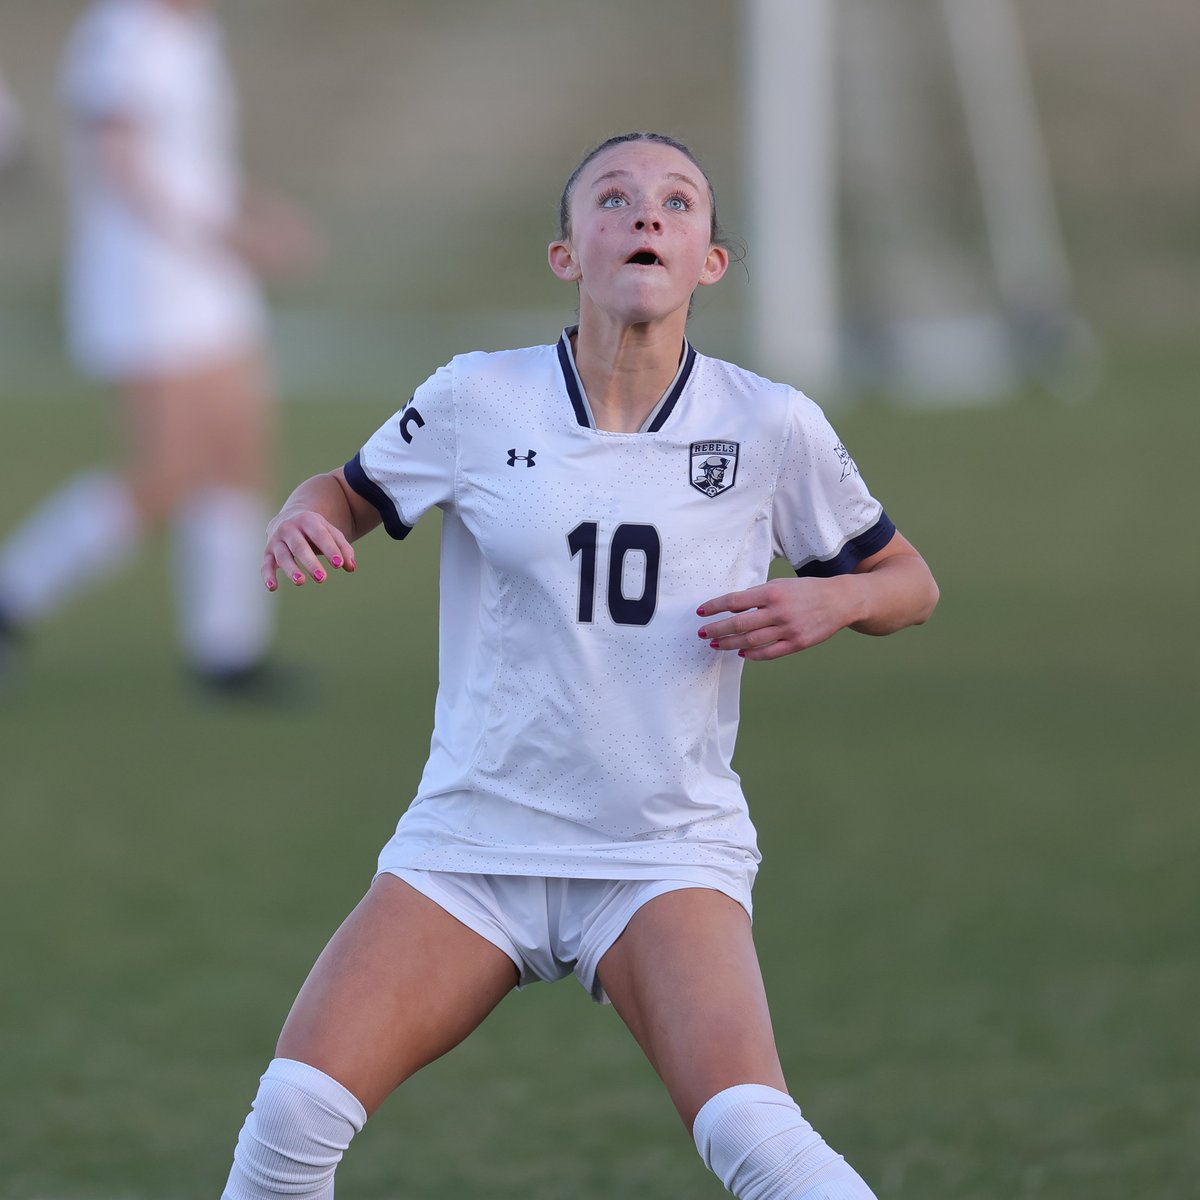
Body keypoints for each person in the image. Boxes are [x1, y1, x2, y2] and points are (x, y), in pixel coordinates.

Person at [222, 132, 940, 1199]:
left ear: (711, 261)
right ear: (567, 254)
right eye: (613, 198)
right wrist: (298, 514)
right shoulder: (479, 399)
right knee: (289, 1120)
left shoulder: (769, 425)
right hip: (473, 844)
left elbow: (909, 581)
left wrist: (834, 597)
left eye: (677, 202)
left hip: (662, 851)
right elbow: (345, 490)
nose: (645, 215)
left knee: (754, 1133)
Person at [0, 0, 316, 691]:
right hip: (142, 284)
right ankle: (13, 592)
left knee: (238, 451)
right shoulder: (122, 32)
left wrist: (257, 213)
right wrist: (228, 236)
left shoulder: (194, 31)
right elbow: (120, 164)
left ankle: (228, 651)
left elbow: (192, 165)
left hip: (208, 281)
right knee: (169, 471)